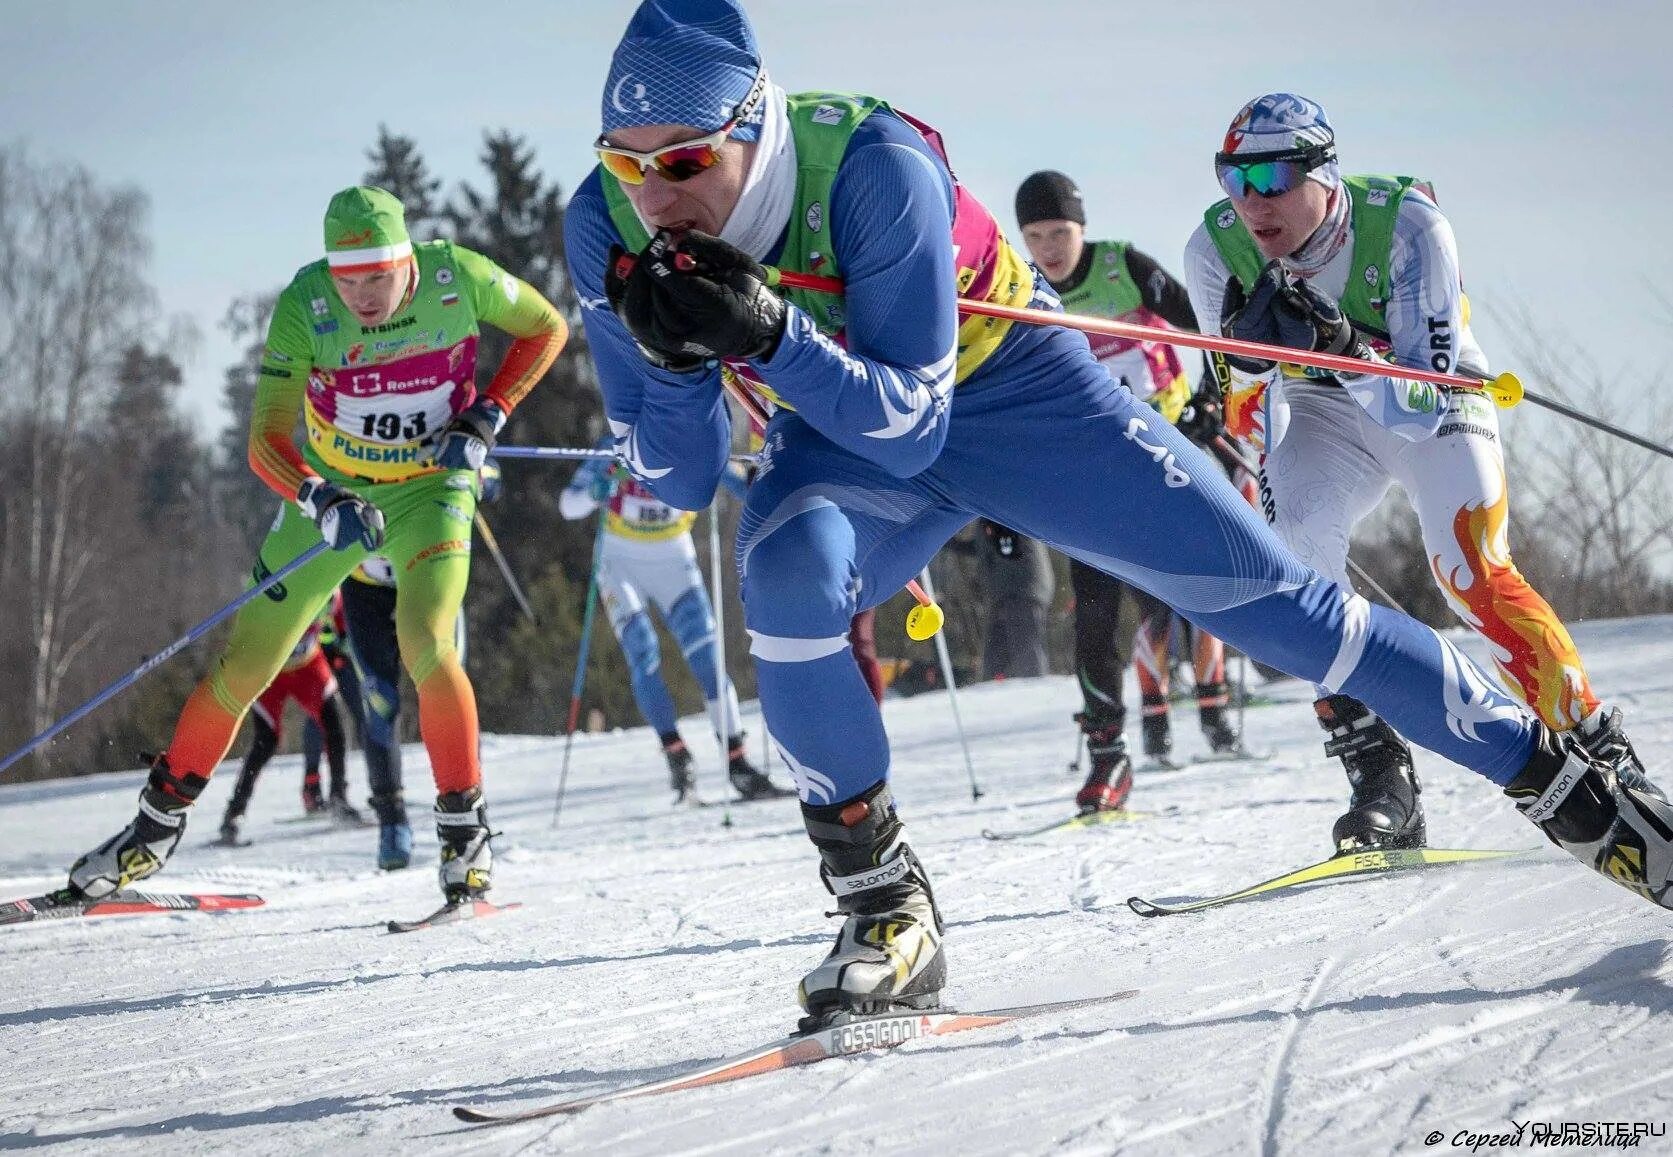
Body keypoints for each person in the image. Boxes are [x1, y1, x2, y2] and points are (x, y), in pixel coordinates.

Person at [569, 0, 1672, 1023]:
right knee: (785, 582)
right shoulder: (605, 221)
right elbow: (675, 477)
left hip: (1019, 394)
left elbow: (911, 417)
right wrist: (671, 358)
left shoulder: (871, 162)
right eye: (626, 164)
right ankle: (884, 908)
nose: (655, 194)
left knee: (1283, 612)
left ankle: (1572, 787)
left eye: (682, 160)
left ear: (752, 130)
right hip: (842, 431)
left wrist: (767, 337)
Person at [67, 186, 568, 905]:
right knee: (246, 664)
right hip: (338, 496)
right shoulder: (308, 304)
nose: (362, 296)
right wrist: (317, 495)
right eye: (348, 278)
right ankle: (149, 833)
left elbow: (546, 327)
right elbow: (265, 440)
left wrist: (489, 411)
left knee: (426, 639)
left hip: (431, 492)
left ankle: (465, 838)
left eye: (378, 277)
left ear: (408, 261)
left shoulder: (460, 276)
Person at [1182, 92, 1649, 852]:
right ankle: (1377, 773)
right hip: (1320, 410)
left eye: (1271, 176)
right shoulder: (1214, 249)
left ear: (1323, 174)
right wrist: (1245, 362)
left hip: (1425, 395)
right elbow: (1242, 419)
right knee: (1295, 556)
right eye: (1231, 177)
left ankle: (1602, 754)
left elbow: (1420, 405)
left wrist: (1339, 342)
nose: (1250, 200)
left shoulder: (1405, 225)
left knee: (1468, 567)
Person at [1014, 170, 1248, 809]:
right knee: (1094, 614)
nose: (1049, 249)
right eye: (1034, 236)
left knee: (1203, 585)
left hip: (1167, 448)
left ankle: (1218, 705)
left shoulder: (1124, 267)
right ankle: (1109, 754)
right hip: (1091, 468)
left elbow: (1207, 325)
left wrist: (1212, 399)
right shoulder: (1021, 289)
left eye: (1059, 232)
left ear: (1080, 226)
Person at [559, 440, 792, 801]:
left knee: (707, 659)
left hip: (673, 561)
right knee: (643, 652)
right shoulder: (616, 445)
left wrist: (751, 482)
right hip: (620, 562)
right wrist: (594, 492)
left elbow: (746, 489)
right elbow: (568, 506)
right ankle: (675, 753)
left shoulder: (694, 441)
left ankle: (738, 763)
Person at [217, 595, 360, 846]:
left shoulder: (332, 592)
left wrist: (342, 645)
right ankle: (234, 813)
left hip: (307, 665)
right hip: (269, 668)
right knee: (267, 741)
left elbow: (339, 619)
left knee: (334, 727)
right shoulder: (289, 583)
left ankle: (338, 797)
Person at [974, 520, 1054, 680]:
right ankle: (993, 690)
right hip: (1010, 592)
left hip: (1021, 590)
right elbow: (986, 547)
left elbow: (1005, 544)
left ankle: (1035, 691)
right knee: (996, 654)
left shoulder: (1000, 512)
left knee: (1026, 652)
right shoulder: (991, 517)